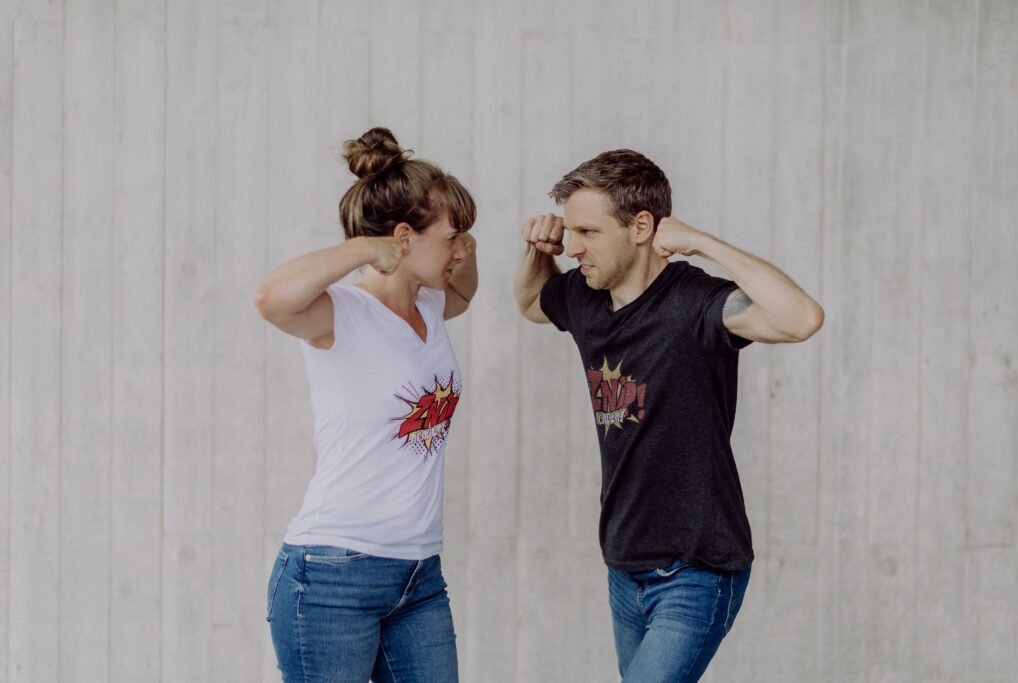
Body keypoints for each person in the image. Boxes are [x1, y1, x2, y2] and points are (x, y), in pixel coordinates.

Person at [513, 149, 824, 682]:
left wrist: (703, 241)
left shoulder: (694, 302)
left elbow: (801, 319)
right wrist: (537, 252)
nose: (574, 246)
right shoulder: (588, 297)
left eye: (587, 232)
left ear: (641, 227)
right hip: (623, 565)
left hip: (696, 568)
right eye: (569, 232)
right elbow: (531, 302)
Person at [254, 127, 477, 683]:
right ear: (403, 236)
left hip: (419, 577)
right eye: (452, 236)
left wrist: (461, 233)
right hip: (332, 574)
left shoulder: (432, 305)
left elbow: (465, 290)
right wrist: (363, 248)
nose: (462, 250)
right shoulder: (342, 314)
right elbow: (270, 298)